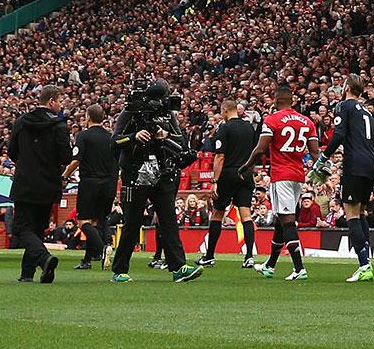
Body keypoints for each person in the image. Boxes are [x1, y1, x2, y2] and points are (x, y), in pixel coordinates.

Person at [110, 78, 190, 281]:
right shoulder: (130, 113)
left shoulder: (167, 115)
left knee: (169, 220)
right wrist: (134, 136)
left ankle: (178, 267)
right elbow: (115, 141)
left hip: (161, 171)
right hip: (135, 173)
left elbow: (179, 141)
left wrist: (165, 136)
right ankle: (119, 270)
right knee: (132, 222)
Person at [183, 95, 258, 274]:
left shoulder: (224, 128)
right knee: (246, 215)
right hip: (245, 173)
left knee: (217, 213)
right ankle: (249, 257)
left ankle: (209, 255)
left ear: (225, 111)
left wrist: (214, 181)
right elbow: (254, 152)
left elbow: (220, 156)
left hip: (228, 174)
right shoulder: (249, 127)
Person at [7, 85, 72, 284]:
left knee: (21, 228)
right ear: (51, 101)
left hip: (25, 182)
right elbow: (66, 156)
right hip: (48, 184)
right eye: (60, 102)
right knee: (35, 229)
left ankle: (43, 259)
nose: (61, 106)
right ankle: (29, 272)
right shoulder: (59, 125)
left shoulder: (21, 122)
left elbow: (12, 152)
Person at [324, 75, 374, 282]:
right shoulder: (367, 111)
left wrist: (323, 157)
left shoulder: (343, 106)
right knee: (361, 211)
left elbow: (339, 135)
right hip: (371, 162)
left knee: (351, 214)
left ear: (347, 88)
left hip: (355, 163)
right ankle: (367, 260)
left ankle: (364, 265)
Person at [255, 83, 315, 280]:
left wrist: (246, 165)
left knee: (287, 221)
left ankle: (299, 268)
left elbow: (261, 148)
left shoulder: (272, 120)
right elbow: (315, 151)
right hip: (298, 175)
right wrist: (323, 169)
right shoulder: (307, 121)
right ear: (292, 100)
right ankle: (270, 265)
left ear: (276, 100)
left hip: (281, 174)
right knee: (282, 220)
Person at [72, 102, 116, 270]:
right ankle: (87, 259)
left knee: (83, 222)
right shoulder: (110, 137)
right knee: (97, 222)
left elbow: (76, 160)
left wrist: (65, 175)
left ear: (88, 117)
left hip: (90, 182)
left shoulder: (83, 136)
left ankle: (103, 248)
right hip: (107, 184)